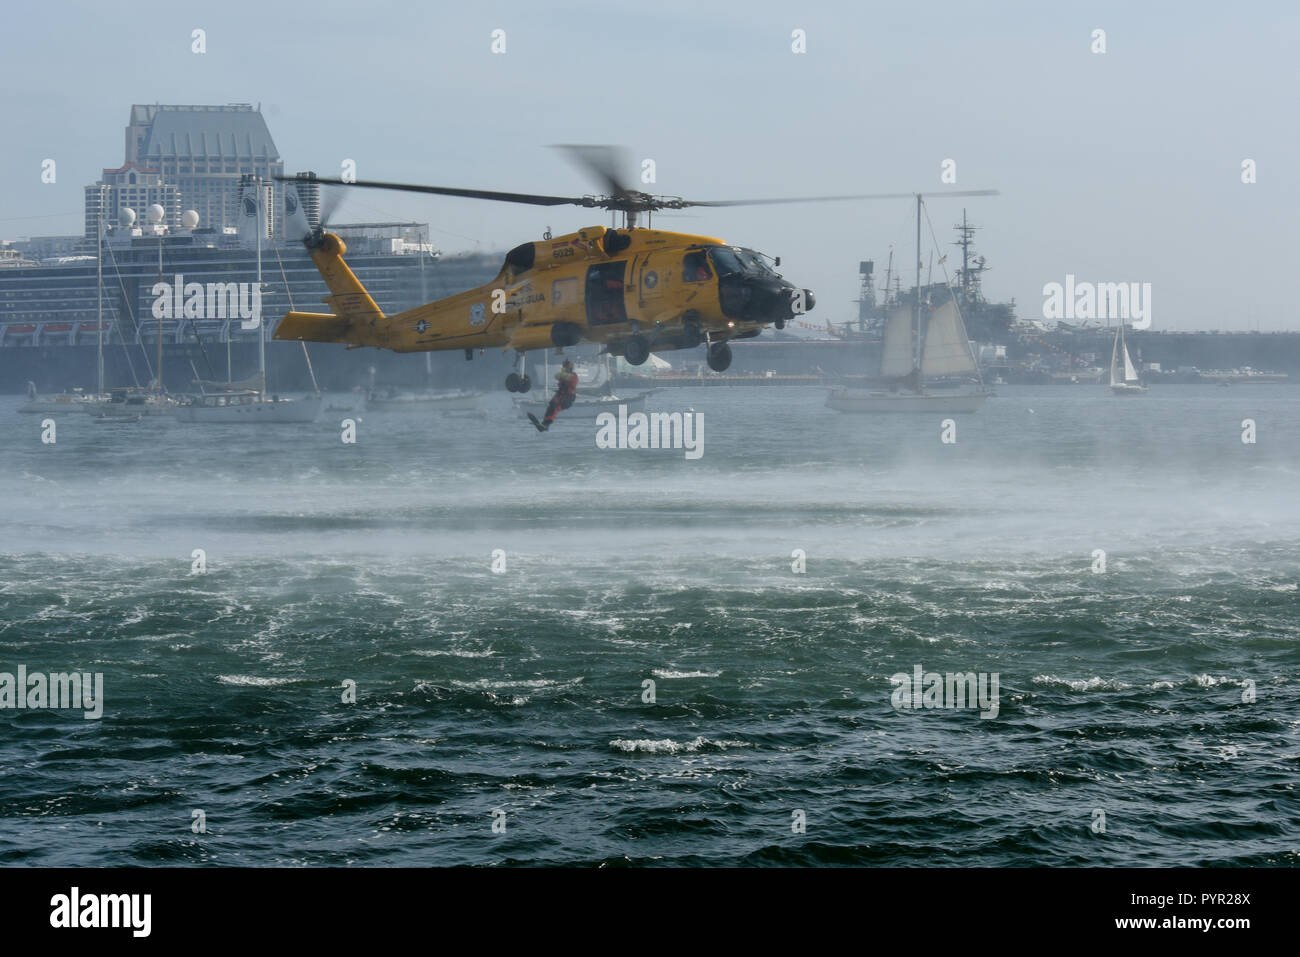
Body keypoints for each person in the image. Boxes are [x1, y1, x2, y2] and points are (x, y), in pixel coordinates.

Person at [529, 359, 578, 432]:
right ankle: (544, 424)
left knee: (555, 407)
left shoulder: (573, 376)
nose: (564, 368)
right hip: (560, 396)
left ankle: (546, 424)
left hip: (568, 398)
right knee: (551, 406)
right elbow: (558, 376)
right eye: (563, 366)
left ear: (569, 367)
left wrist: (563, 372)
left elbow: (560, 376)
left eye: (565, 366)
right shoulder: (565, 375)